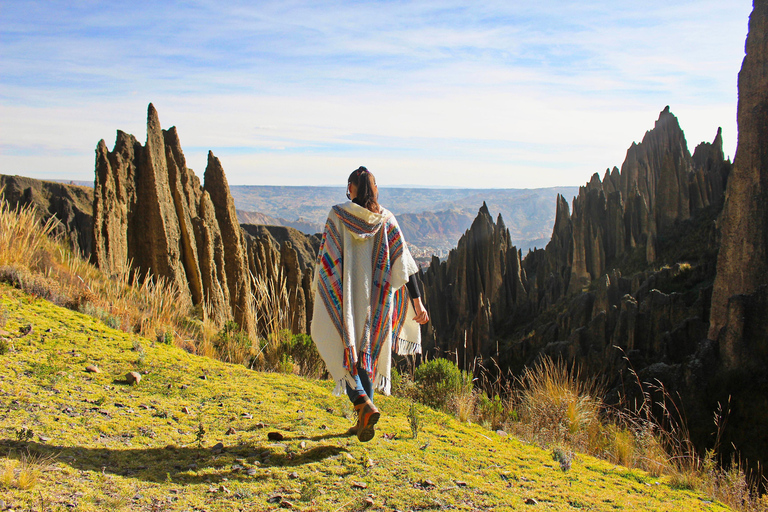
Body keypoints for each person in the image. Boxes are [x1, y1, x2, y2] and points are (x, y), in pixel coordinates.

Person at [311, 166, 429, 442]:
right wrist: (418, 303)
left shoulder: (338, 215)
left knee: (334, 343)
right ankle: (364, 420)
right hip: (377, 303)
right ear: (374, 190)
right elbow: (405, 265)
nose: (347, 190)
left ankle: (363, 403)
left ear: (352, 188)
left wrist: (329, 288)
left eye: (348, 185)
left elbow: (326, 261)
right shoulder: (387, 219)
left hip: (348, 299)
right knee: (369, 357)